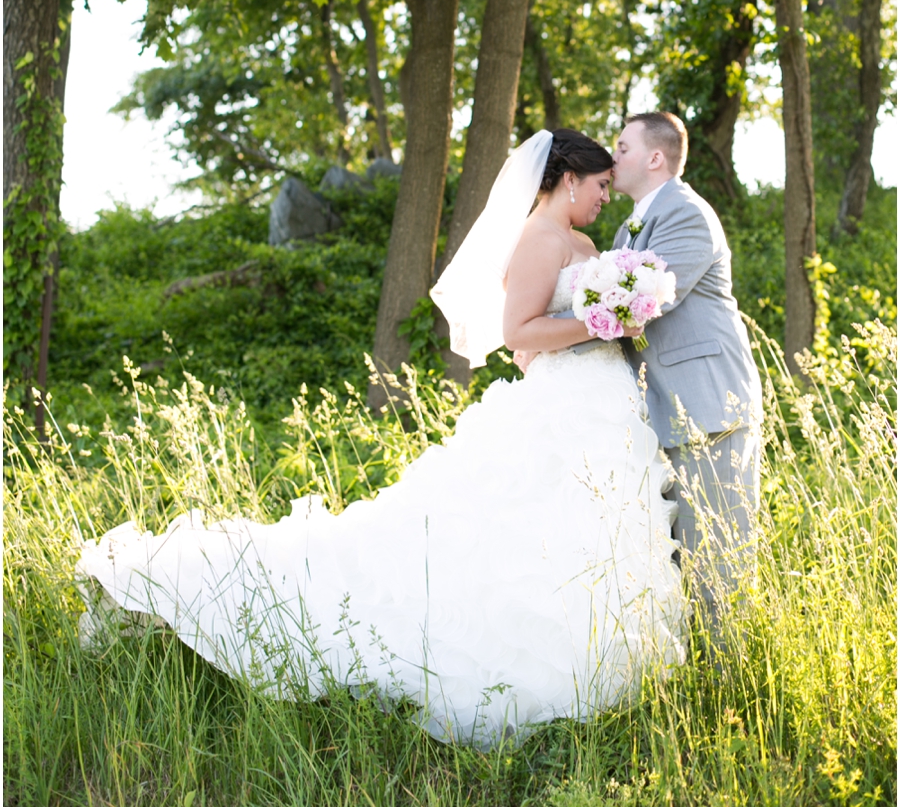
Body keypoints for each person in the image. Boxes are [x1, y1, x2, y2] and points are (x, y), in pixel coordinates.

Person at [77, 129, 686, 748]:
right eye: (602, 184)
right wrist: (597, 319)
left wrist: (615, 316)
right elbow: (520, 332)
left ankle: (596, 655)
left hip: (598, 403)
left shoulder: (582, 240)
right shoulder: (539, 238)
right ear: (569, 178)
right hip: (560, 406)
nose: (607, 195)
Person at [607, 112, 762, 622]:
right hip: (665, 414)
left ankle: (729, 690)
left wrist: (544, 327)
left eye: (623, 147)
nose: (613, 157)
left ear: (655, 158)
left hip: (708, 410)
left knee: (718, 565)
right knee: (675, 562)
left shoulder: (685, 213)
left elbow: (641, 302)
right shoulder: (628, 227)